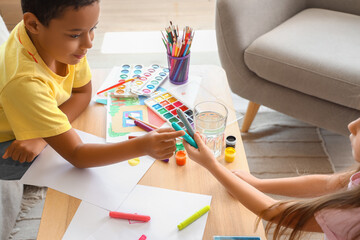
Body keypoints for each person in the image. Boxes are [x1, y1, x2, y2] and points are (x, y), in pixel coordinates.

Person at [0, 0, 185, 180]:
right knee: (56, 169)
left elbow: (82, 93)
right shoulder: (26, 82)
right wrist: (142, 146)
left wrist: (42, 137)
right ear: (33, 24)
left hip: (32, 116)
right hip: (7, 142)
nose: (88, 44)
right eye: (75, 35)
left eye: (92, 29)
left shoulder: (54, 40)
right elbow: (77, 155)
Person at [183, 118, 360, 240]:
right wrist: (258, 184)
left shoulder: (354, 215)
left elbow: (275, 212)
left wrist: (212, 165)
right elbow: (330, 183)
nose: (352, 125)